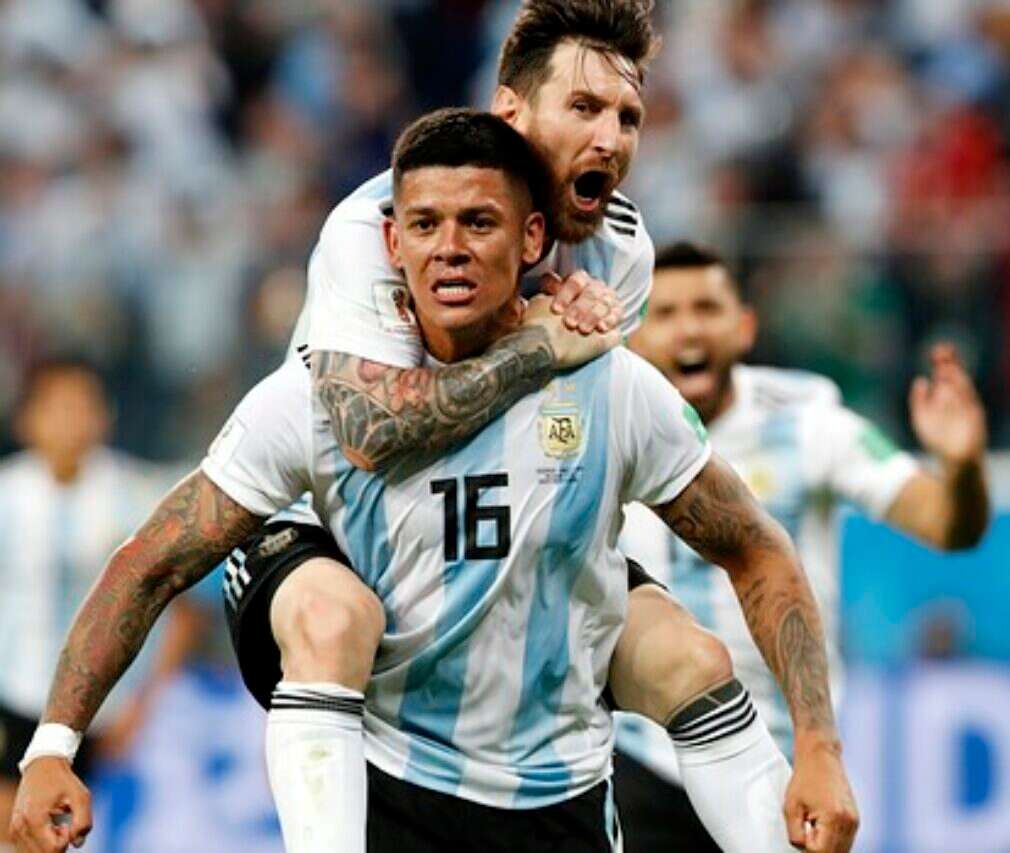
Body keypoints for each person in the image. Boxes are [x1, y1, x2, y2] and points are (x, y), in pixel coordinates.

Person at [11, 109, 858, 853]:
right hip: (390, 769)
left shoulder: (610, 386)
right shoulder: (327, 396)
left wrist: (817, 746)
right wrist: (54, 745)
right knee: (329, 613)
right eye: (425, 223)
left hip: (551, 783)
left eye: (479, 221)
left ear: (533, 239)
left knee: (691, 656)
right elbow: (150, 563)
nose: (449, 247)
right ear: (392, 242)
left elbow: (755, 547)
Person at [221, 1, 797, 849]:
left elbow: (572, 423)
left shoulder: (620, 253)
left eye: (627, 117)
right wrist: (535, 346)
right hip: (337, 522)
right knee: (332, 621)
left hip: (481, 521)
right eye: (584, 108)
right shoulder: (370, 227)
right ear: (511, 112)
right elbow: (369, 436)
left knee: (692, 658)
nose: (608, 139)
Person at [614, 243, 992, 850]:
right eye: (666, 313)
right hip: (642, 758)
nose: (689, 329)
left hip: (784, 762)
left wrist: (963, 467)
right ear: (633, 336)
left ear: (744, 326)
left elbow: (950, 525)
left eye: (706, 308)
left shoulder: (807, 422)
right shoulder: (609, 419)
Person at [0, 358, 206, 852]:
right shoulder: (7, 496)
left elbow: (184, 609)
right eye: (56, 407)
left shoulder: (136, 497)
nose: (69, 421)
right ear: (27, 418)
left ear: (103, 415)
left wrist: (143, 704)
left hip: (104, 707)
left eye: (81, 406)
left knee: (85, 833)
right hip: (15, 693)